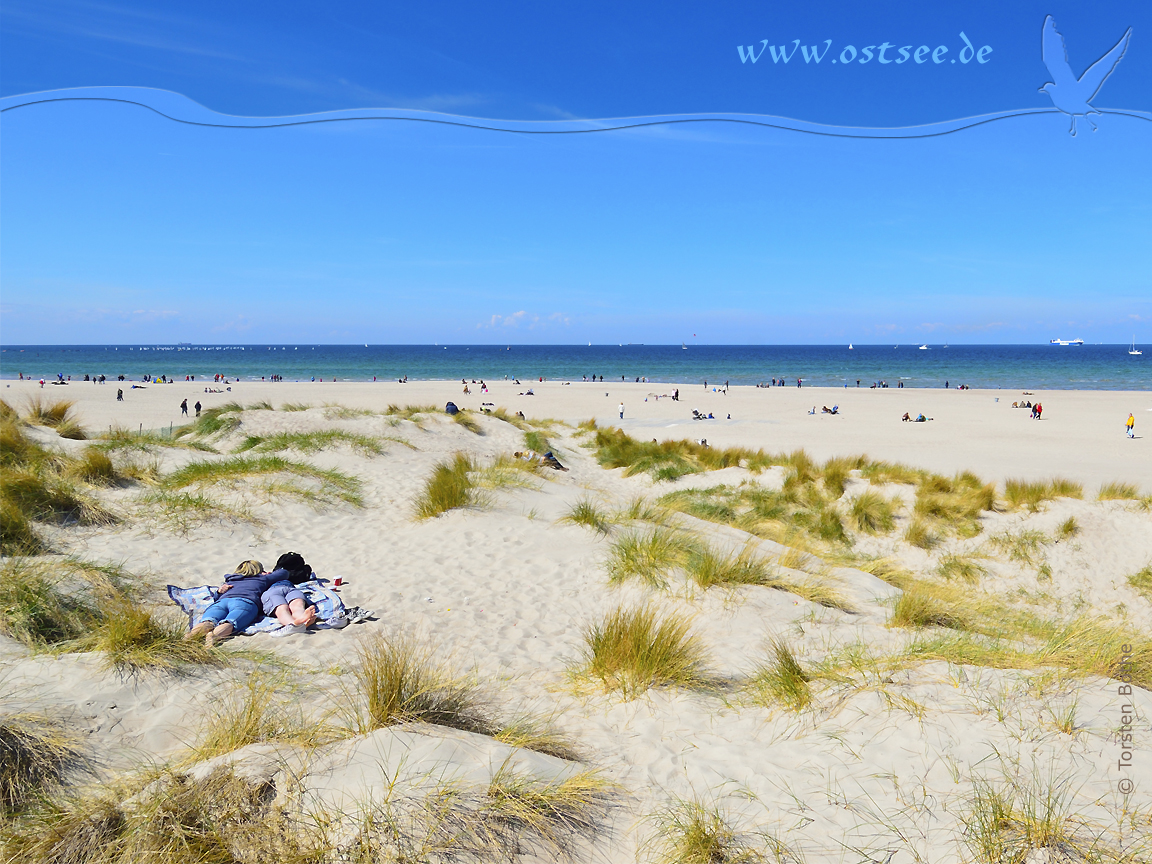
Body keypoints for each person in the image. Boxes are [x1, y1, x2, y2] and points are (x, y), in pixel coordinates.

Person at [184, 560, 287, 647]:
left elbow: (216, 598)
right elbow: (284, 572)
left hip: (222, 601)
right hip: (245, 602)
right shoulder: (262, 578)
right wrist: (266, 574)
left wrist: (219, 592)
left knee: (208, 621)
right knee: (230, 623)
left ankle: (190, 637)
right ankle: (213, 636)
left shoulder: (231, 580)